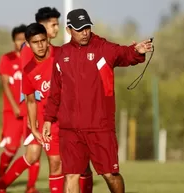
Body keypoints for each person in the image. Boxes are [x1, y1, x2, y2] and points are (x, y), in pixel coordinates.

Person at [43, 9, 153, 193]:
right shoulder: (62, 54)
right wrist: (48, 119)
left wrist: (137, 52)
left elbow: (123, 53)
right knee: (71, 175)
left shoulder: (102, 48)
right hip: (70, 129)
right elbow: (55, 91)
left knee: (110, 174)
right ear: (69, 29)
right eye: (79, 29)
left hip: (99, 127)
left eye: (87, 27)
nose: (85, 32)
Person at [0, 22, 63, 193]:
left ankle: (12, 186)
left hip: (62, 116)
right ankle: (2, 185)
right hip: (42, 115)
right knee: (37, 157)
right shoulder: (28, 66)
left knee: (58, 161)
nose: (56, 28)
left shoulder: (61, 55)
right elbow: (30, 99)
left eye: (57, 24)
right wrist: (33, 125)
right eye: (52, 24)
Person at [0, 24, 40, 193]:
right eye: (18, 39)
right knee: (12, 148)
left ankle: (31, 186)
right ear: (13, 40)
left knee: (33, 147)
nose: (21, 42)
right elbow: (6, 84)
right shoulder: (7, 59)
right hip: (12, 112)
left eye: (24, 39)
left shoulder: (33, 60)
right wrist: (15, 106)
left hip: (30, 111)